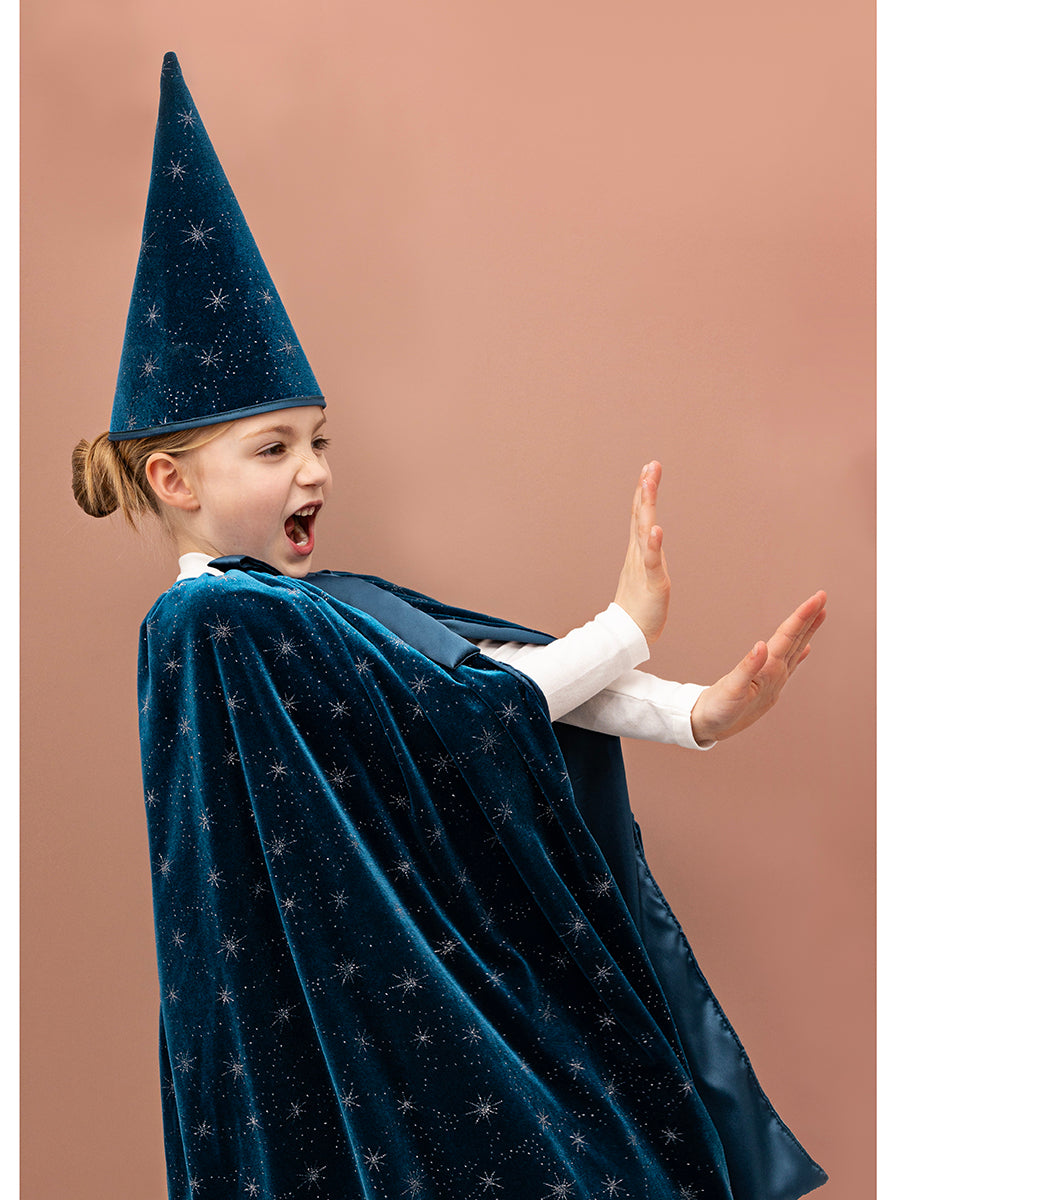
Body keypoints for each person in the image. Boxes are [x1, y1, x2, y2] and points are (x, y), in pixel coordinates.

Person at [73, 52, 828, 1200]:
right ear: (172, 481)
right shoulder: (216, 624)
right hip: (360, 1033)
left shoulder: (319, 604)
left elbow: (486, 673)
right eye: (274, 448)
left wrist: (693, 713)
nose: (314, 471)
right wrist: (627, 624)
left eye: (319, 441)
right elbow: (454, 721)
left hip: (400, 1018)